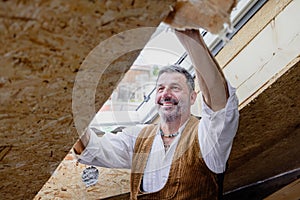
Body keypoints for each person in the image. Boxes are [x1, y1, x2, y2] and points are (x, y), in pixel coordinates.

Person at [73, 29, 239, 200]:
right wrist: (71, 105)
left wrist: (190, 36)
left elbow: (220, 105)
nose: (166, 94)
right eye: (160, 88)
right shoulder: (137, 138)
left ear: (192, 97)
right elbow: (92, 150)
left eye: (175, 88)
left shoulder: (206, 137)